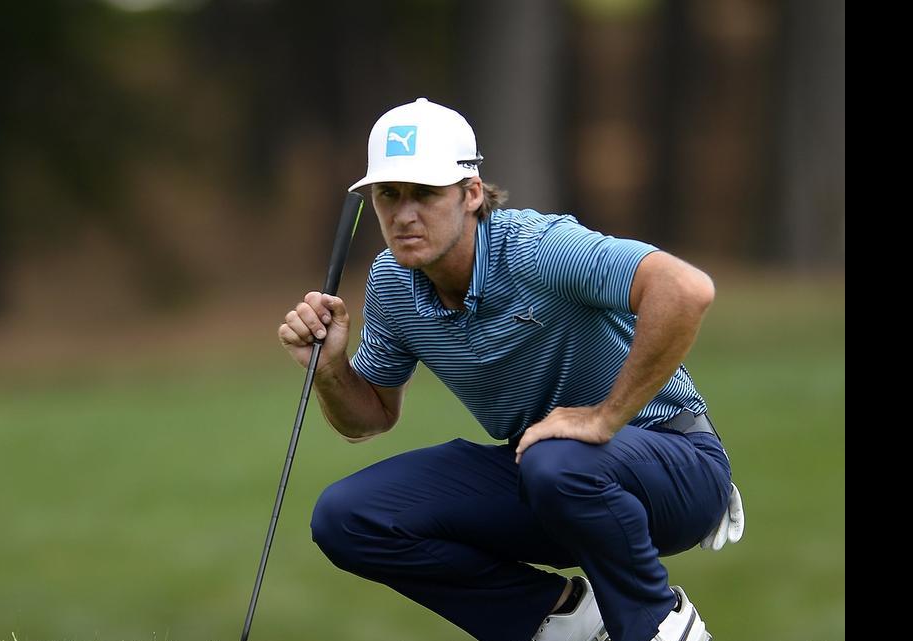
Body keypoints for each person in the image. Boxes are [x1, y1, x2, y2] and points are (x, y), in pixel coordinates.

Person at [277, 97, 744, 641]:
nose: (404, 214)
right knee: (349, 517)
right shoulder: (391, 285)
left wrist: (604, 417)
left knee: (557, 461)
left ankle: (658, 626)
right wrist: (330, 367)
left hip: (673, 462)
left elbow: (685, 289)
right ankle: (564, 620)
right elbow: (370, 418)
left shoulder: (538, 249)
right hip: (548, 475)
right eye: (388, 195)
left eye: (425, 194)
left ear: (471, 194)